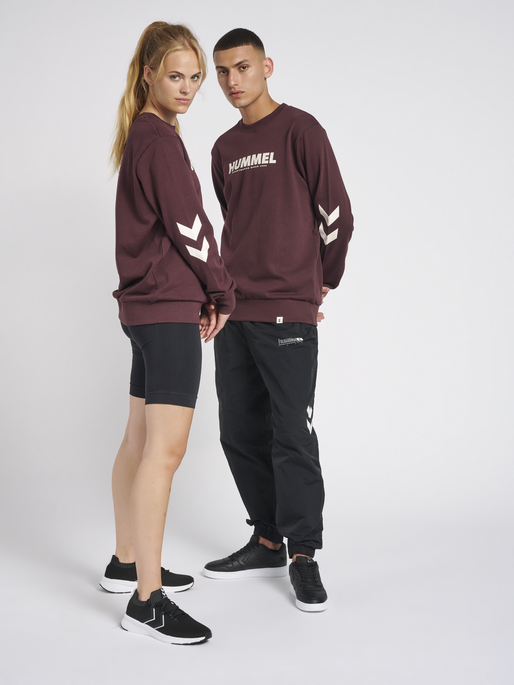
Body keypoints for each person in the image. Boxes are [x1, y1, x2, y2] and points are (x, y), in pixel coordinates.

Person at [203, 29, 354, 612]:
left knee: (292, 433)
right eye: (222, 71)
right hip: (235, 311)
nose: (232, 81)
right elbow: (234, 222)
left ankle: (303, 554)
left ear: (266, 66)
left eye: (242, 67)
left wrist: (322, 280)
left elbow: (336, 214)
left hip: (289, 309)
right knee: (239, 430)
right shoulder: (223, 148)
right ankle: (267, 539)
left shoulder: (300, 129)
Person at [99, 21, 235, 644]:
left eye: (195, 78)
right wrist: (221, 290)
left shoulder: (145, 134)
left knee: (138, 439)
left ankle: (126, 561)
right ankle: (147, 601)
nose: (187, 88)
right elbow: (191, 226)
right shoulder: (157, 141)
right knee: (166, 451)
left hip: (143, 309)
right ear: (149, 74)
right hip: (166, 310)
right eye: (175, 76)